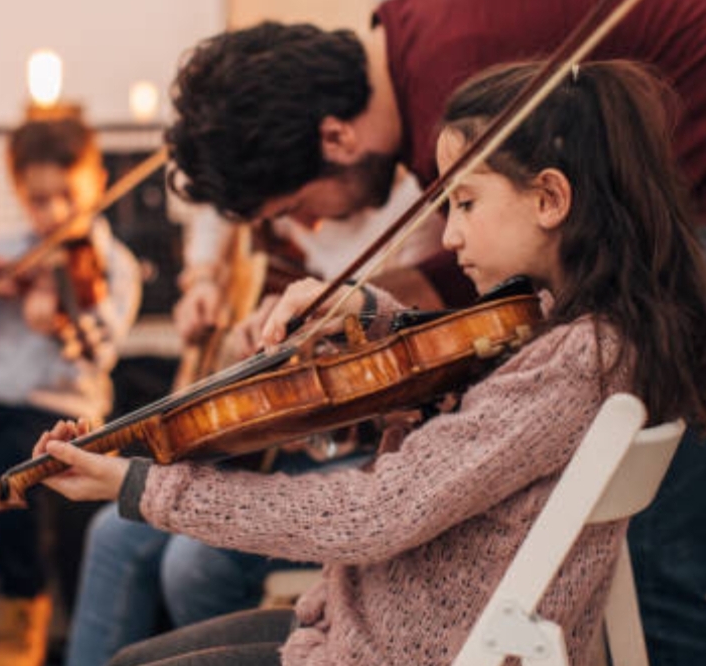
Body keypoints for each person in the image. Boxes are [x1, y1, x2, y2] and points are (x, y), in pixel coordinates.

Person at [164, 0, 706, 666]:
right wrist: (370, 312)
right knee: (676, 532)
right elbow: (479, 281)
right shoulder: (412, 48)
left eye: (296, 209)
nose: (316, 231)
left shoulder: (457, 74)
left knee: (667, 540)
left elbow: (496, 271)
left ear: (335, 139)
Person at [33, 59, 706, 666]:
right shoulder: (570, 329)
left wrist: (146, 487)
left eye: (464, 202)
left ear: (550, 198)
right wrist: (370, 313)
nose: (448, 232)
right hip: (379, 631)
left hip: (400, 649)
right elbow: (462, 371)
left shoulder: (578, 357)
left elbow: (373, 513)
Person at [63, 163, 446, 666]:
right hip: (290, 452)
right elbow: (218, 219)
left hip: (358, 456)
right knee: (111, 535)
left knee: (193, 563)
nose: (298, 225)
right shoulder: (276, 212)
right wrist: (206, 284)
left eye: (291, 208)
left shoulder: (423, 221)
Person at [0, 116, 142, 666]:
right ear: (17, 192)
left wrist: (60, 318)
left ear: (98, 180)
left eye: (68, 195)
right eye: (38, 200)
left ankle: (22, 604)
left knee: (9, 481)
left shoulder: (112, 264)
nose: (55, 213)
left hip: (57, 403)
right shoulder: (7, 250)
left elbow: (101, 349)